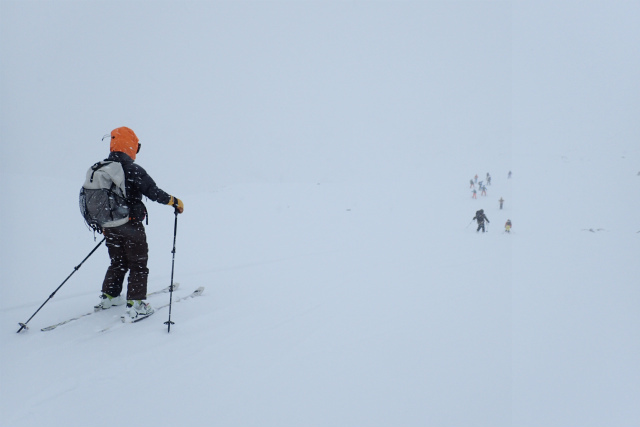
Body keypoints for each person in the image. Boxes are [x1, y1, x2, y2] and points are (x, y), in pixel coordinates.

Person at [94, 126, 184, 321]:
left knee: (117, 261)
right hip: (130, 225)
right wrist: (174, 201)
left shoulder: (102, 169)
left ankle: (109, 297)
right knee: (138, 263)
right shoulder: (131, 169)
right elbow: (153, 192)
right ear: (131, 146)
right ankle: (136, 304)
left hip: (108, 226)